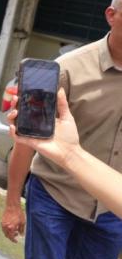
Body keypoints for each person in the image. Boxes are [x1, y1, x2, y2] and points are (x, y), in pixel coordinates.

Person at [0, 0, 122, 259]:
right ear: (111, 15)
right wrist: (12, 202)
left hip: (108, 204)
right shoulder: (69, 68)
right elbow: (27, 139)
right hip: (56, 191)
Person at [10, 89, 122, 219]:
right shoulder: (68, 73)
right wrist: (12, 203)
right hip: (55, 197)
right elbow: (26, 143)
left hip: (109, 214)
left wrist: (70, 154)